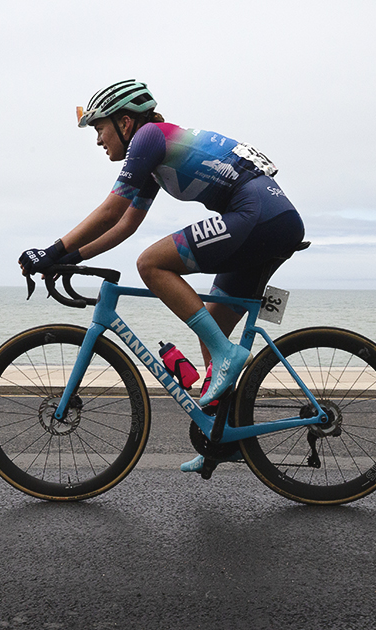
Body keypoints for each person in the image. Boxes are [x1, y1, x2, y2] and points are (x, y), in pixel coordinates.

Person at [17, 80, 305, 473]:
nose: (99, 140)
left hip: (258, 216)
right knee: (214, 326)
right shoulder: (154, 158)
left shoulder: (149, 137)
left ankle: (226, 356)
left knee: (151, 264)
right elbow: (124, 225)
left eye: (100, 129)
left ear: (123, 122)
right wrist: (68, 258)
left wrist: (50, 251)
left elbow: (108, 211)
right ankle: (225, 438)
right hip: (270, 220)